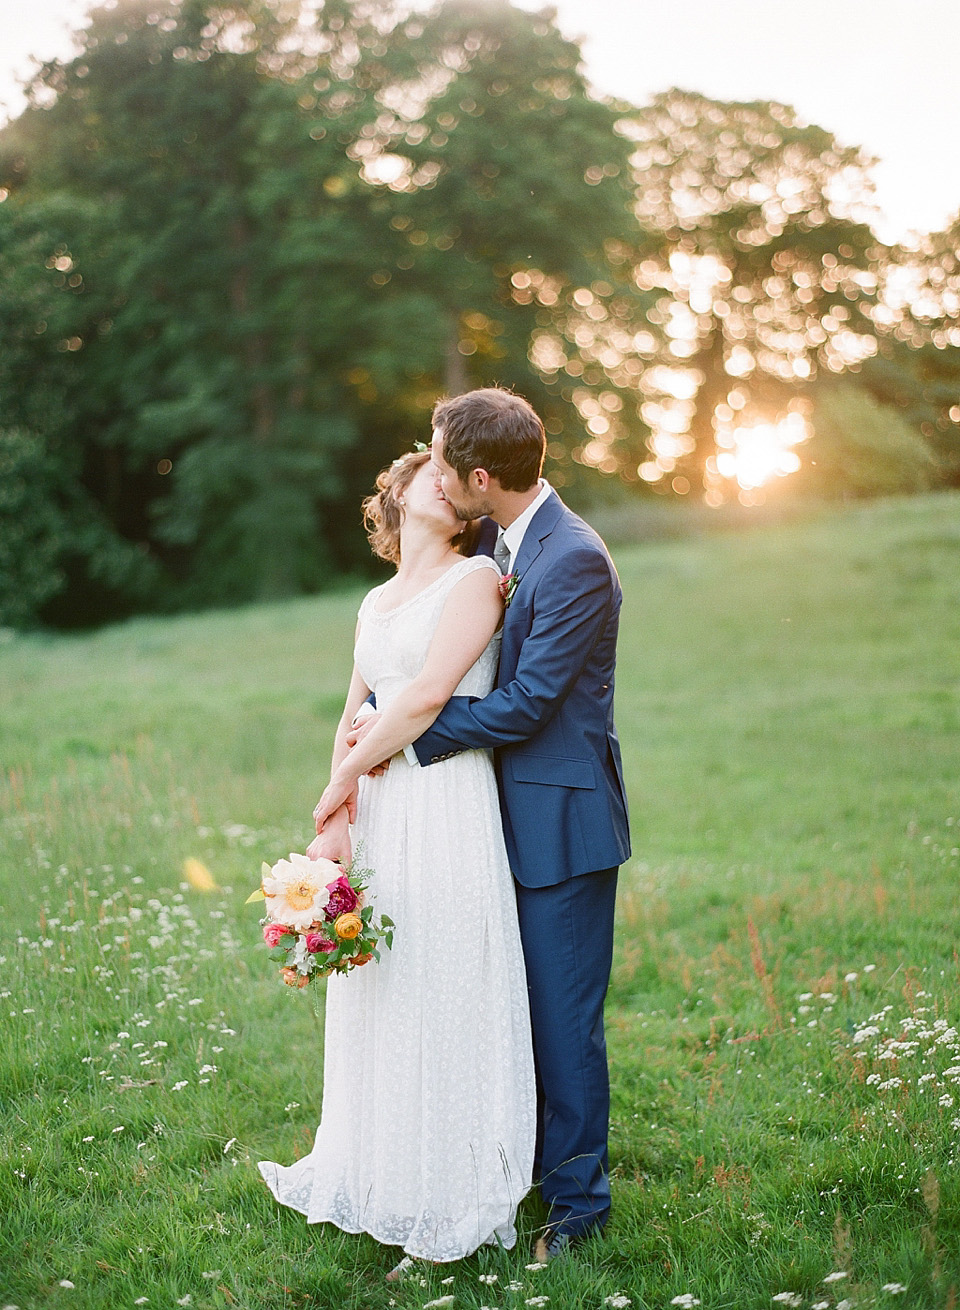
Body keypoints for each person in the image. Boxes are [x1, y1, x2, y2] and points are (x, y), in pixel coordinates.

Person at [341, 388, 631, 1262]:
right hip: (498, 817)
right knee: (512, 1002)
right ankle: (524, 1168)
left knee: (562, 1020)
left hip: (561, 824)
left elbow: (533, 701)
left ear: (477, 477)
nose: (426, 470)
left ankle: (578, 1212)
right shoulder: (512, 543)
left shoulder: (572, 555)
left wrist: (405, 733)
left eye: (436, 458)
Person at [258, 451, 536, 1276]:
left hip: (445, 803)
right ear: (400, 493)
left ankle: (452, 1183)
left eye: (456, 473)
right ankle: (382, 1165)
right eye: (431, 470)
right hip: (381, 811)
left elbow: (421, 700)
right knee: (385, 985)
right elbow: (352, 714)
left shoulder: (478, 580)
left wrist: (345, 775)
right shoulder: (375, 602)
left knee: (442, 975)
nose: (447, 479)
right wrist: (337, 814)